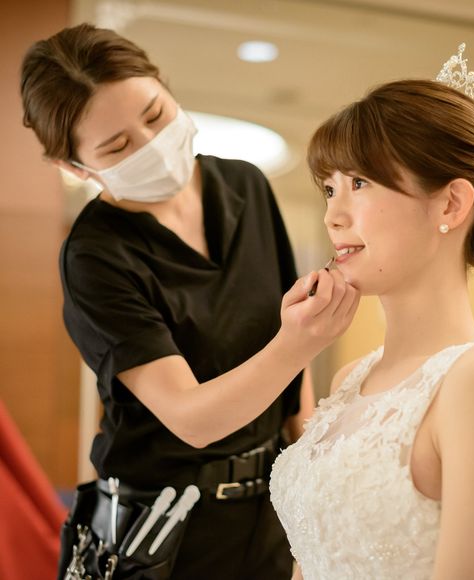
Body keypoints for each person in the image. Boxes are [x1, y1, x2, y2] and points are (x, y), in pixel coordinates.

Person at [20, 23, 359, 579]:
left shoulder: (246, 185)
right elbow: (192, 418)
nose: (151, 144)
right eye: (117, 147)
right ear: (74, 168)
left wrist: (310, 471)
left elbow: (286, 360)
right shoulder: (95, 255)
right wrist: (302, 342)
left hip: (267, 506)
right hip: (163, 530)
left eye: (155, 115)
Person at [270, 45, 474, 580]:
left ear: (451, 205)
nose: (332, 216)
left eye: (359, 183)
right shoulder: (350, 378)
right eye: (329, 189)